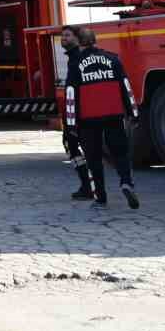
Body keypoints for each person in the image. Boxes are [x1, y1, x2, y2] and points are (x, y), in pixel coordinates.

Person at [64, 27, 139, 211]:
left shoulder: (76, 63)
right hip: (113, 114)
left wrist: (71, 124)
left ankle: (101, 198)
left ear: (79, 42)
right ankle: (126, 182)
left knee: (93, 158)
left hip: (88, 119)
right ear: (95, 39)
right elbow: (126, 87)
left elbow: (71, 94)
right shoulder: (113, 59)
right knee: (120, 152)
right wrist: (133, 113)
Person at [58, 26, 96, 201]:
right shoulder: (75, 57)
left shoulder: (76, 58)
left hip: (79, 114)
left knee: (74, 147)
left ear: (77, 38)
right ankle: (90, 186)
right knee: (76, 147)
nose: (63, 38)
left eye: (67, 35)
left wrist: (72, 119)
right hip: (80, 112)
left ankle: (88, 187)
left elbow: (76, 90)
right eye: (62, 35)